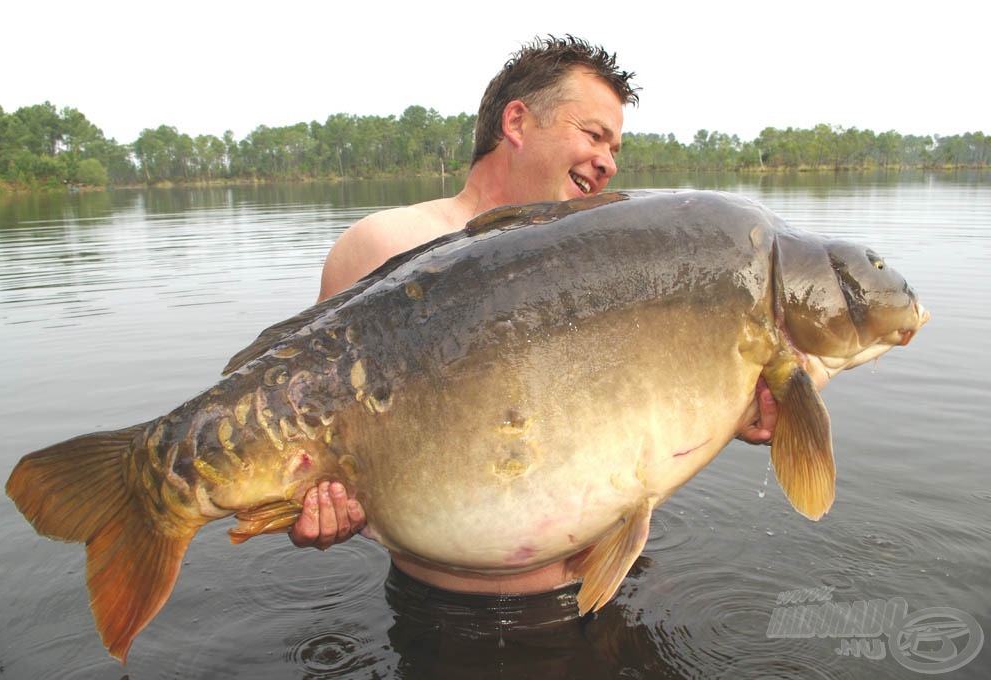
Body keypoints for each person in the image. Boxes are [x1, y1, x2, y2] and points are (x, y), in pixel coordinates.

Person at [289, 36, 782, 597]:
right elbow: (301, 440)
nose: (608, 161)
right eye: (593, 134)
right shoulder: (380, 245)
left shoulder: (603, 267)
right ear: (517, 122)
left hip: (603, 591)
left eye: (615, 148)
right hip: (440, 616)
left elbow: (632, 406)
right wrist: (312, 503)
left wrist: (730, 405)